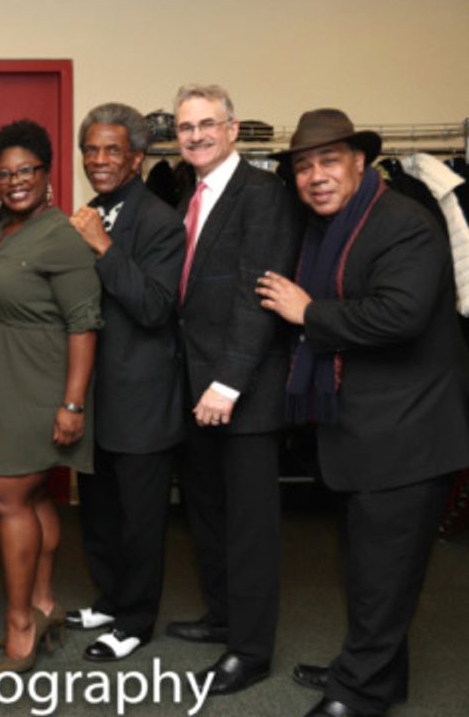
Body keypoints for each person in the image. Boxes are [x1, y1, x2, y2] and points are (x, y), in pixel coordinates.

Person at [257, 109, 469, 717]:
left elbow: (400, 314)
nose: (316, 176)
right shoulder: (331, 228)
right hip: (367, 430)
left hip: (409, 433)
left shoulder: (403, 222)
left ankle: (360, 692)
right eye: (303, 167)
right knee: (371, 565)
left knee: (384, 571)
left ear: (359, 162)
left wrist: (308, 313)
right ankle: (372, 670)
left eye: (329, 161)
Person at [166, 84, 301, 695]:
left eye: (206, 124)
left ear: (232, 129)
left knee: (249, 528)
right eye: (185, 127)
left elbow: (258, 294)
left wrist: (226, 384)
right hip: (197, 389)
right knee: (208, 514)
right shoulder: (191, 194)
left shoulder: (262, 194)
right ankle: (224, 618)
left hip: (240, 392)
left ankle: (250, 652)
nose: (195, 135)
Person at [0, 119, 101, 672]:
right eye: (4, 174)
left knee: (6, 498)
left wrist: (72, 404)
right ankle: (42, 604)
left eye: (26, 171)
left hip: (38, 389)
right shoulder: (3, 229)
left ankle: (19, 623)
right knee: (35, 497)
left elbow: (84, 324)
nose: (15, 181)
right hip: (0, 385)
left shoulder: (60, 236)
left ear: (47, 173)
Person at [66, 103, 185, 662]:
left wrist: (104, 248)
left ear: (136, 158)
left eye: (112, 150)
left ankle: (135, 619)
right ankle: (111, 599)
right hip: (93, 393)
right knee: (99, 509)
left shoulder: (161, 220)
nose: (98, 160)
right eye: (90, 149)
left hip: (142, 396)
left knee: (139, 520)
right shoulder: (89, 212)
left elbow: (155, 307)